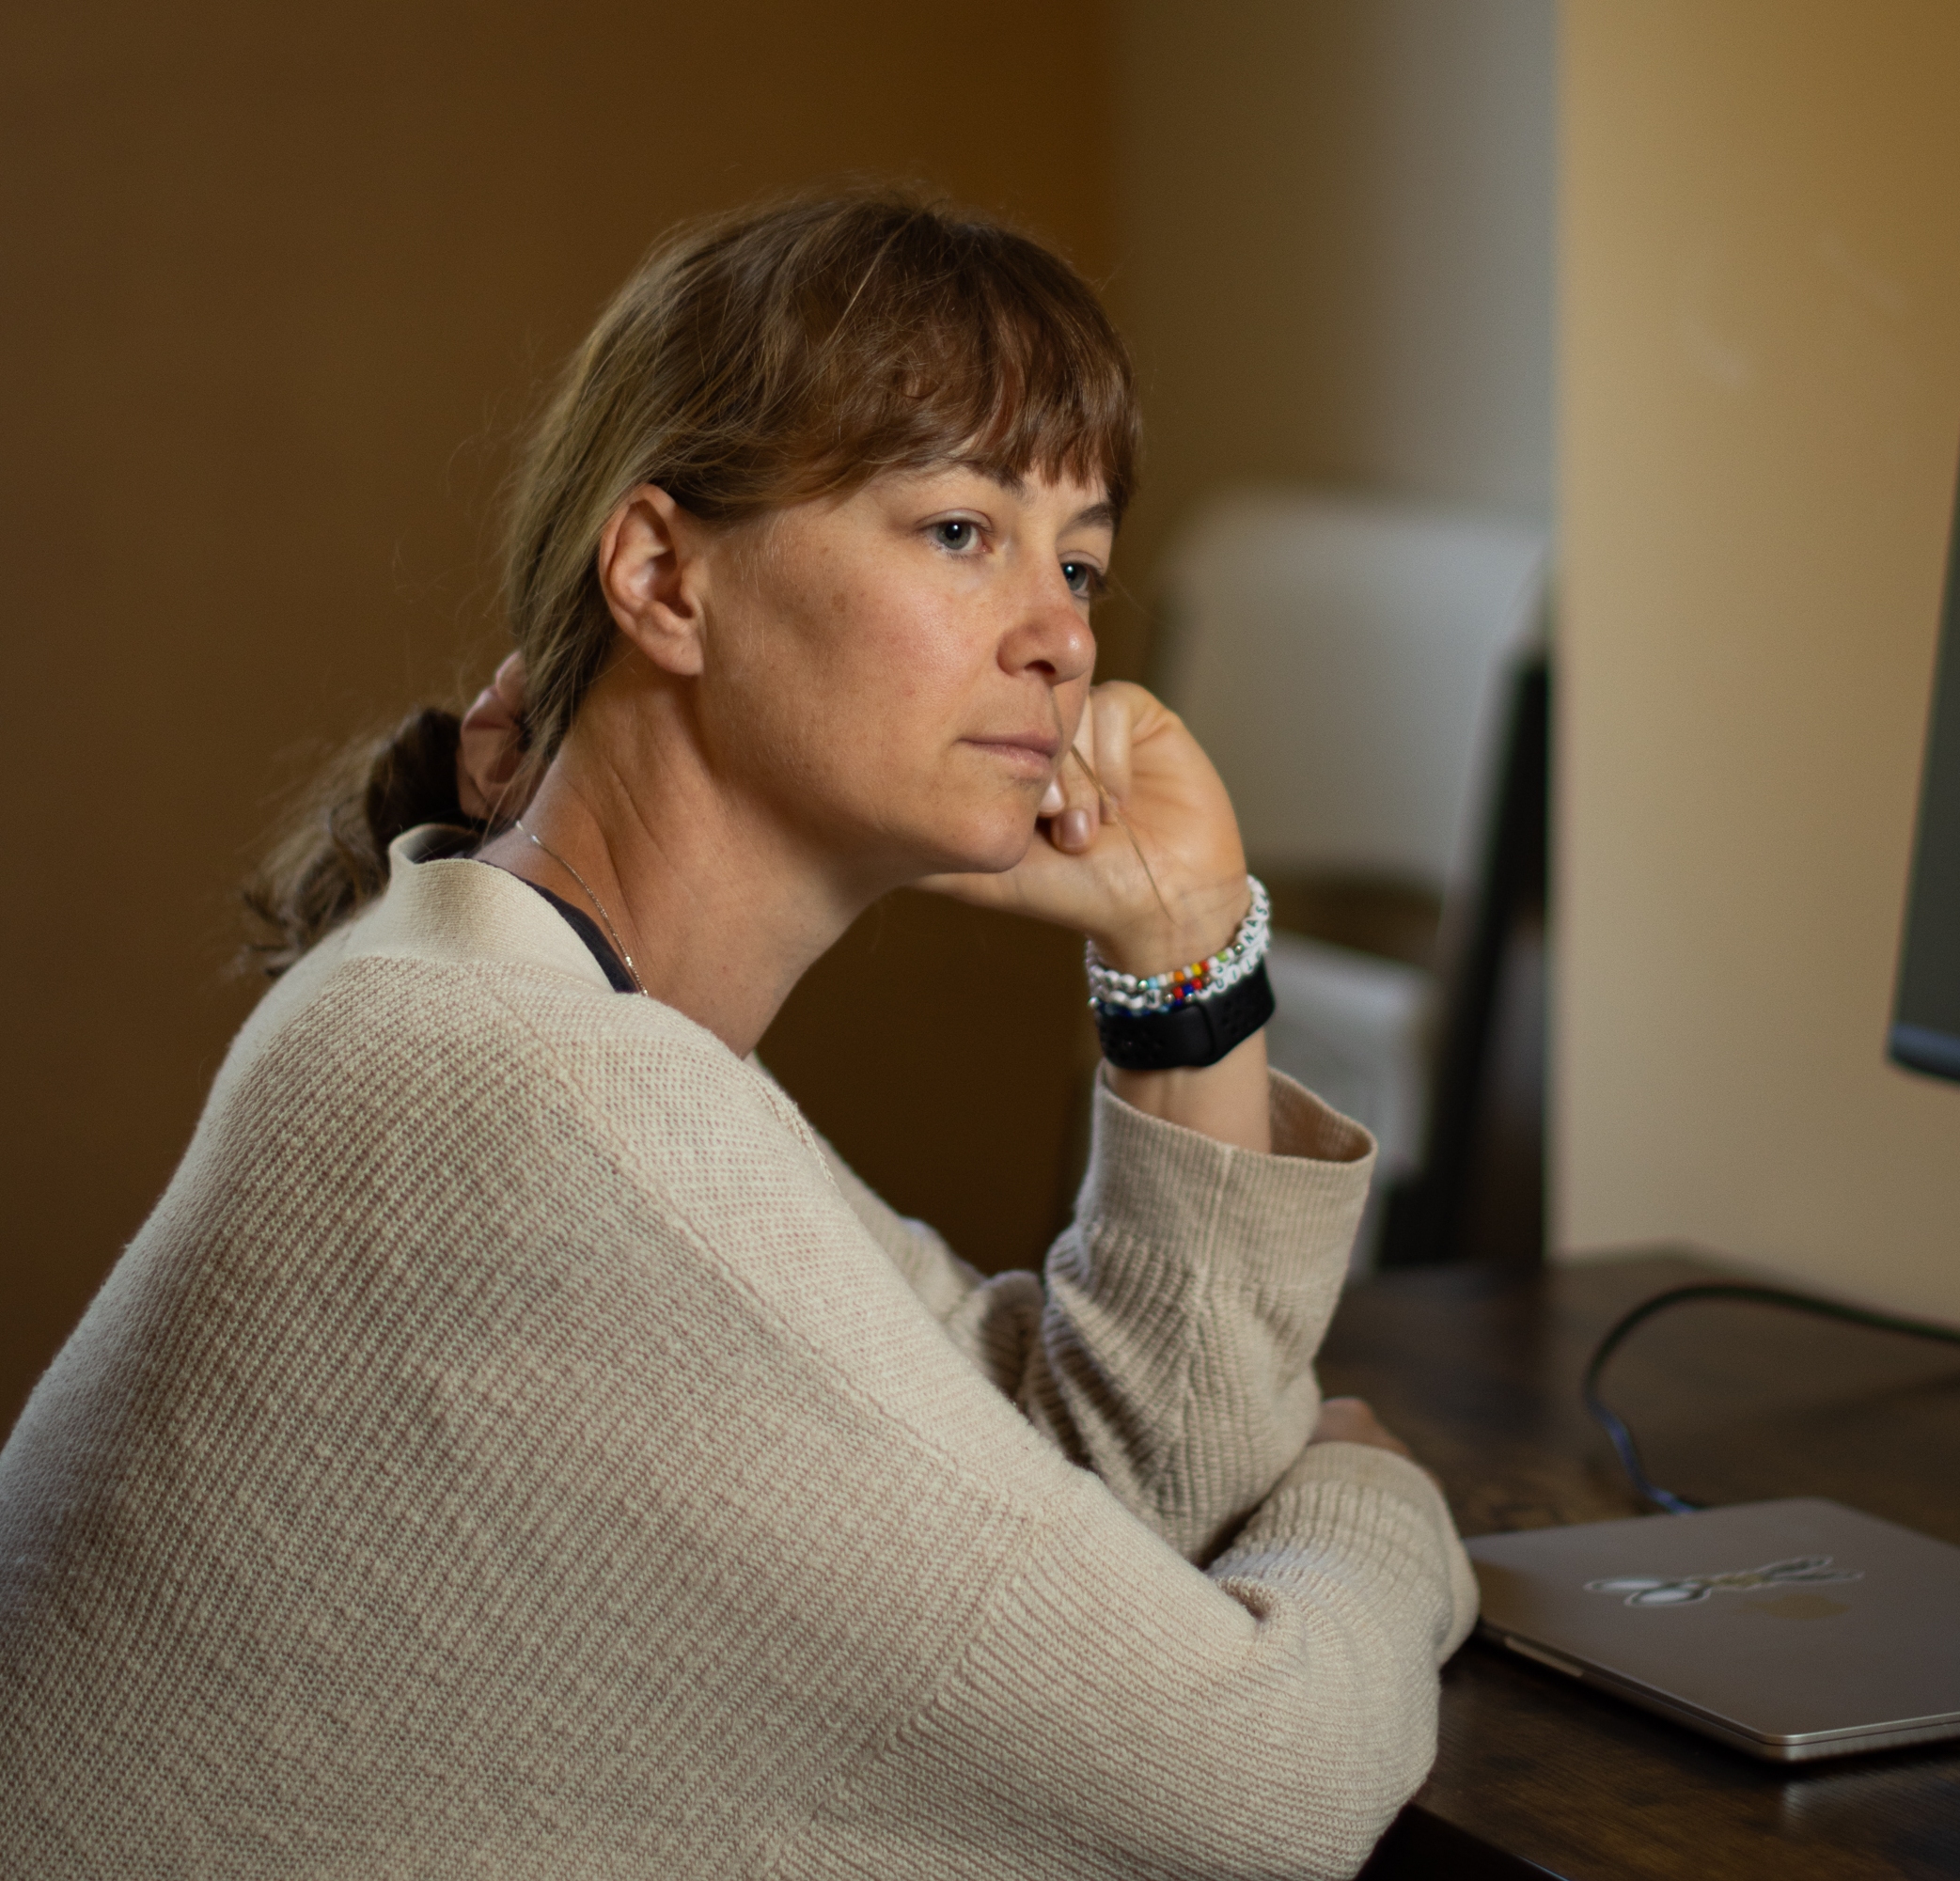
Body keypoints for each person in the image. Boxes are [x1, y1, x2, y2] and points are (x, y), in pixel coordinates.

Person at [0, 194, 1474, 1878]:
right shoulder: (545, 1110)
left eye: (1077, 558)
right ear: (663, 578)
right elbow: (1261, 1791)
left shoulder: (515, 1011)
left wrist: (1185, 951)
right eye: (957, 530)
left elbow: (1119, 1499)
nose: (1065, 633)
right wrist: (1376, 1503)